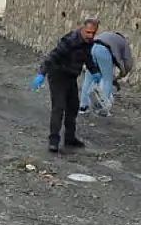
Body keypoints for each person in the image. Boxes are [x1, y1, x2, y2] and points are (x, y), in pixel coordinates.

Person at [30, 18, 101, 152]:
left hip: (71, 76)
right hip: (58, 74)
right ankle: (54, 141)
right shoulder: (70, 40)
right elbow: (52, 56)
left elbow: (87, 57)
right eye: (88, 32)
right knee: (59, 106)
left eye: (93, 33)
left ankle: (69, 138)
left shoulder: (88, 43)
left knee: (73, 106)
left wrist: (95, 71)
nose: (90, 35)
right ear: (82, 29)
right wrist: (41, 73)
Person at [79, 30, 134, 117]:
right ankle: (103, 107)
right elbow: (128, 63)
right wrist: (122, 74)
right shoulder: (123, 42)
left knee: (88, 78)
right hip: (104, 51)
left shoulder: (108, 35)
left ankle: (83, 107)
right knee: (107, 79)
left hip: (92, 48)